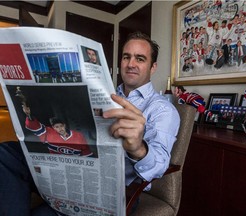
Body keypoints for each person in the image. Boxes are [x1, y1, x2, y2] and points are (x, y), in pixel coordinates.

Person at [0, 32, 180, 215]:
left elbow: (160, 166)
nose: (131, 64)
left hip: (110, 192)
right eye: (127, 57)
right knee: (6, 152)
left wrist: (138, 149)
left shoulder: (162, 109)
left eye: (140, 59)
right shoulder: (105, 91)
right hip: (67, 170)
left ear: (153, 67)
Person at [22, 104, 93, 156]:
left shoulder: (78, 135)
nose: (60, 129)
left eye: (61, 126)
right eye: (56, 127)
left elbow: (86, 151)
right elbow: (35, 127)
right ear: (53, 127)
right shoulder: (48, 133)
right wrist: (29, 115)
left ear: (64, 125)